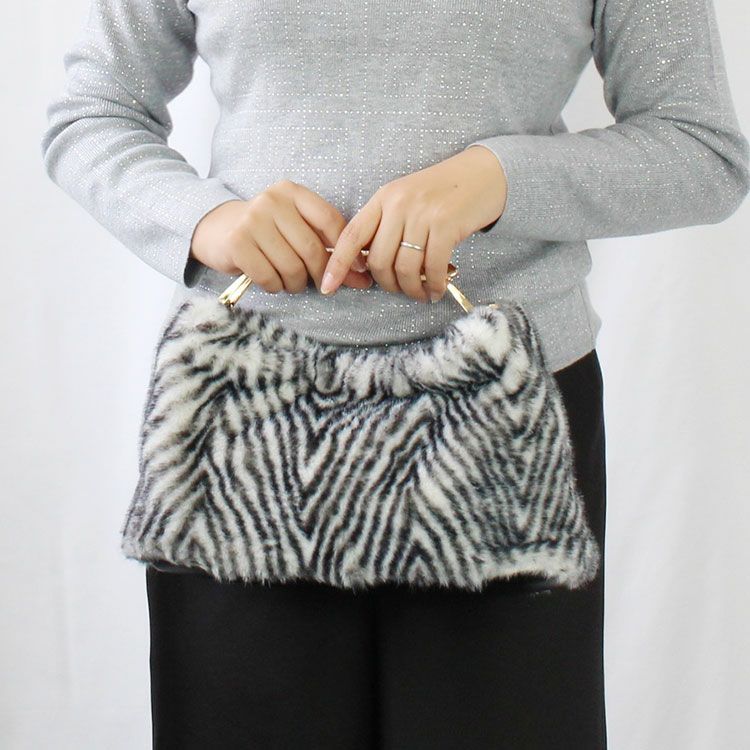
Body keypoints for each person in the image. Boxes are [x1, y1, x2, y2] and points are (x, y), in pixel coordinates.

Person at [41, 1, 749, 748]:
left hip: (503, 423)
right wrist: (206, 221)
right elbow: (92, 115)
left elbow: (702, 150)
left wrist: (497, 179)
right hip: (246, 423)